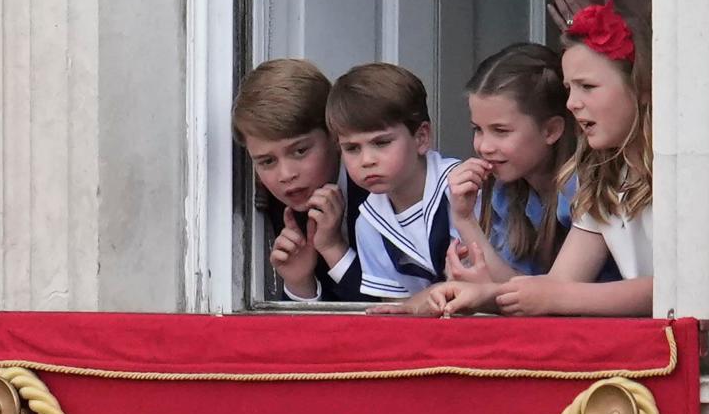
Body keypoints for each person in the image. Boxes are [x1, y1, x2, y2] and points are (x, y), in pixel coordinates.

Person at [424, 0, 653, 317]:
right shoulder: (605, 176)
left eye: (588, 87)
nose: (572, 103)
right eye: (569, 89)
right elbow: (556, 287)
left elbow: (676, 287)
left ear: (641, 85)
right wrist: (477, 294)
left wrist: (542, 297)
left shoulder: (677, 172)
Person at [443, 43, 620, 284]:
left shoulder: (583, 185)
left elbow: (534, 297)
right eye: (478, 129)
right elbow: (513, 287)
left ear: (551, 130)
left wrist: (466, 224)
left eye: (500, 131)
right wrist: (464, 219)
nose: (484, 146)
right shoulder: (506, 192)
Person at [231, 59, 370, 302]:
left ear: (335, 137)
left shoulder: (380, 186)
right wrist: (299, 283)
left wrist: (334, 248)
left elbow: (393, 310)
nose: (286, 175)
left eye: (300, 151)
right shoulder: (278, 207)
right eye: (267, 162)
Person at [325, 63, 460, 299]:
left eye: (381, 143)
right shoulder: (368, 223)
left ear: (421, 137)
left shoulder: (462, 187)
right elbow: (395, 309)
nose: (366, 160)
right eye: (352, 148)